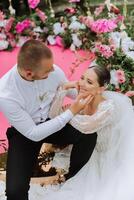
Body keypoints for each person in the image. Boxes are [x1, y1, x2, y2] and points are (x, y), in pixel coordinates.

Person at [0, 39, 97, 200]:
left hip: (53, 118)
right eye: (47, 70)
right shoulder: (6, 95)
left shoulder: (53, 70)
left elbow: (69, 91)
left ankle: (72, 182)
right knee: (14, 192)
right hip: (26, 133)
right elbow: (34, 133)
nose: (54, 70)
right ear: (29, 73)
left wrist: (89, 89)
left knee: (88, 133)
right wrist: (71, 112)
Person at [31, 65, 134, 200]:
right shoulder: (84, 98)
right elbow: (54, 115)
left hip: (106, 154)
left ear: (101, 89)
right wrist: (63, 89)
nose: (82, 84)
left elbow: (86, 127)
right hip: (87, 148)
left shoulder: (108, 108)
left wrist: (71, 112)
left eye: (89, 82)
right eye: (82, 78)